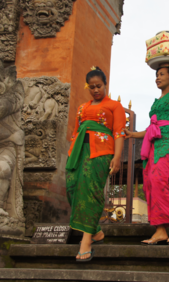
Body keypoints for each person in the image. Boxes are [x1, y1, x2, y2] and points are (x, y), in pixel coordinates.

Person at [125, 51, 169, 244]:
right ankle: (160, 229)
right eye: (156, 75)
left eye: (161, 75)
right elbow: (152, 128)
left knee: (159, 178)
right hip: (154, 143)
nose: (157, 78)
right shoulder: (157, 102)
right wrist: (133, 134)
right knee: (149, 183)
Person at [65, 66, 126, 261]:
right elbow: (75, 132)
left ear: (105, 85)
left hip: (101, 152)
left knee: (90, 191)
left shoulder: (114, 106)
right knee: (72, 187)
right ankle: (96, 231)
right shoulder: (82, 107)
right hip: (78, 151)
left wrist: (117, 157)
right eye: (91, 87)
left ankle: (86, 240)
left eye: (99, 86)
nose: (95, 90)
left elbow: (118, 132)